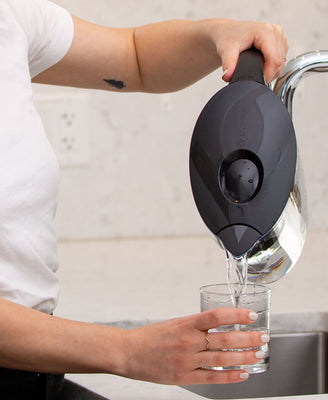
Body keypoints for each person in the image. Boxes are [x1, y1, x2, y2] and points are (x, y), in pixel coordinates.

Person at [0, 0, 288, 398]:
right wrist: (129, 352)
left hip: (32, 371)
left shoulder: (11, 17)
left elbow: (134, 57)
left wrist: (217, 33)